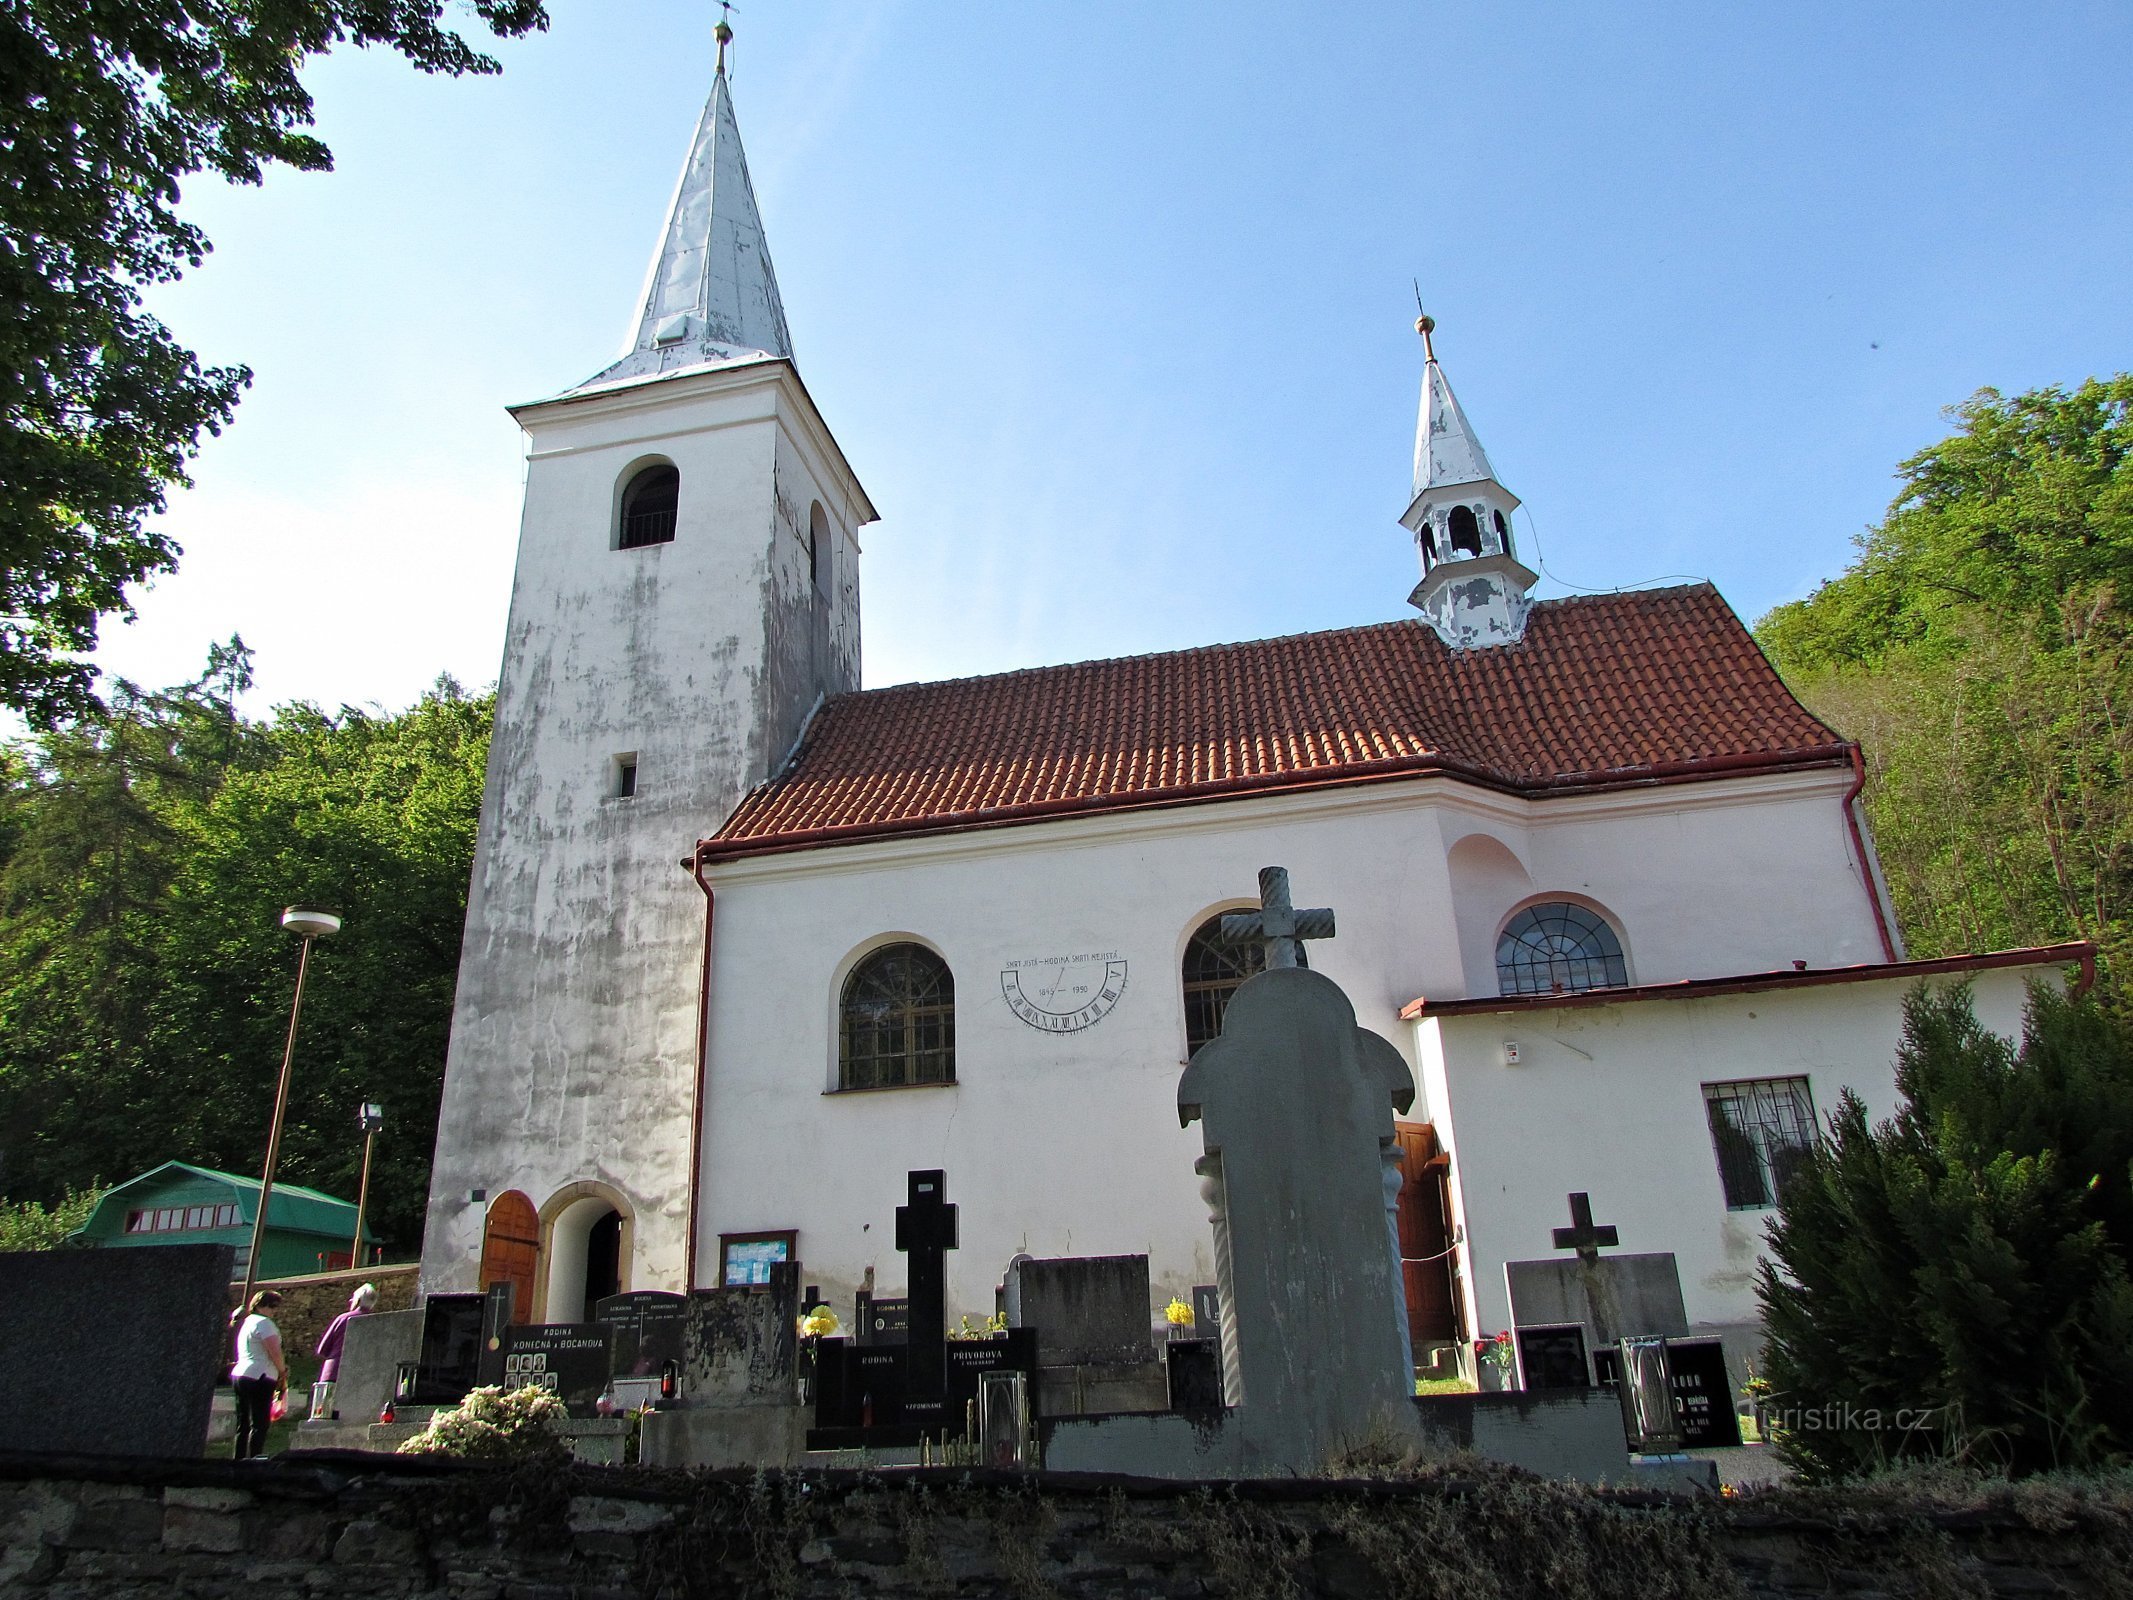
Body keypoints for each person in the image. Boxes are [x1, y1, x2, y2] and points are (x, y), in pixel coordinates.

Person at [230, 1290, 287, 1459]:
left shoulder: (247, 1323)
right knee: (260, 1423)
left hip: (241, 1373)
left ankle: (238, 1460)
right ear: (262, 1305)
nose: (274, 1311)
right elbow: (274, 1352)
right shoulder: (264, 1323)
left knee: (243, 1423)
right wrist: (282, 1372)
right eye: (273, 1307)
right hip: (260, 1375)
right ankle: (254, 1459)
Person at [310, 1282, 376, 1421]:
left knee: (324, 1418)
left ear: (357, 1301)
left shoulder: (343, 1318)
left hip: (334, 1373)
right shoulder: (376, 1321)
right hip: (362, 1377)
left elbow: (323, 1349)